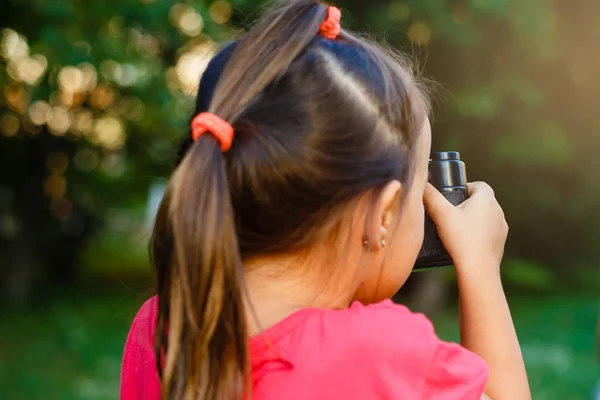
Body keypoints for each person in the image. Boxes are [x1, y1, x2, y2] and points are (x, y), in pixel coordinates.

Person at [120, 1, 530, 399]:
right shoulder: (380, 352)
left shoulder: (161, 326)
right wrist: (480, 265)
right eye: (421, 183)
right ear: (383, 214)